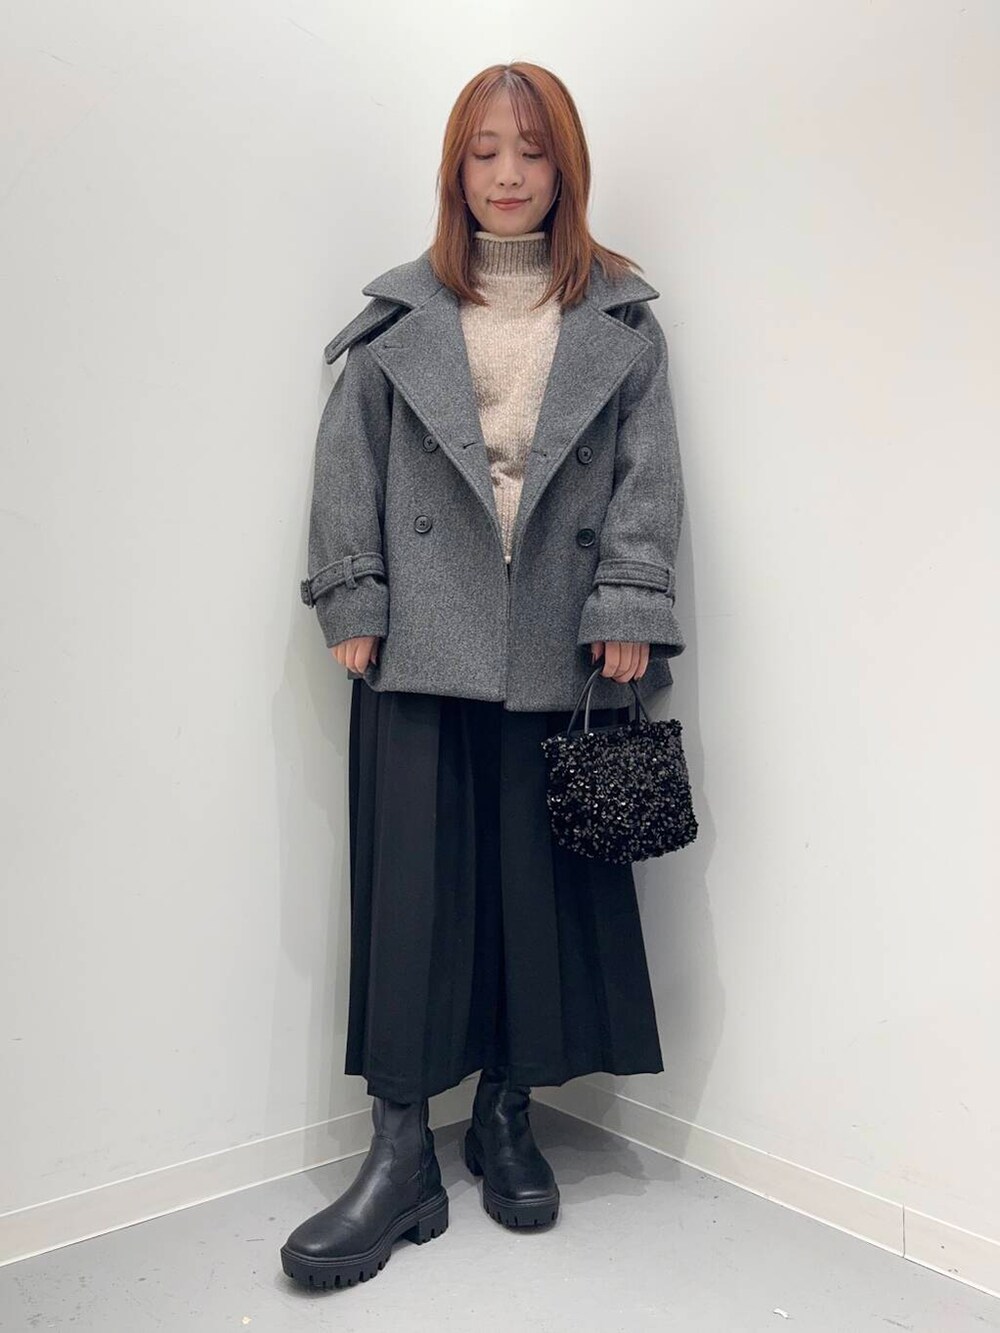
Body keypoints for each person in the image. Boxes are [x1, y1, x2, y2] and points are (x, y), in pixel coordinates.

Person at [281, 60, 688, 1290]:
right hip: (421, 642)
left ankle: (508, 1114)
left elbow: (649, 475)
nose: (508, 174)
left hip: (562, 645)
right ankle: (400, 1152)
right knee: (410, 899)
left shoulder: (622, 324)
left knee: (535, 897)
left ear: (566, 168)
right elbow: (346, 463)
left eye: (532, 150)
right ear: (455, 169)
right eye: (484, 151)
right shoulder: (395, 319)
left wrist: (629, 600)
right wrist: (354, 595)